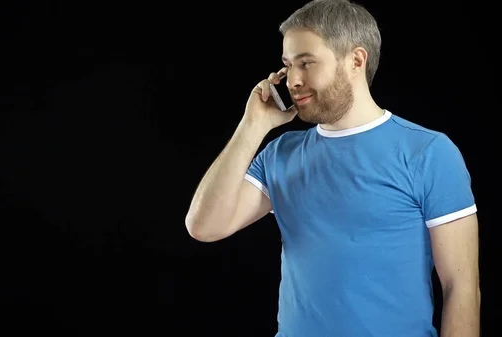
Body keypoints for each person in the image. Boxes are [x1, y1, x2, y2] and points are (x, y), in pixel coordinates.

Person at [184, 0, 481, 336]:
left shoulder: (428, 152)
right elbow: (204, 226)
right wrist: (252, 126)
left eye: (307, 63)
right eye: (288, 65)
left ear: (356, 60)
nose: (293, 80)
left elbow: (461, 288)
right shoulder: (280, 154)